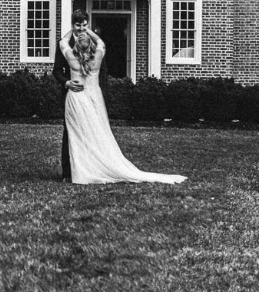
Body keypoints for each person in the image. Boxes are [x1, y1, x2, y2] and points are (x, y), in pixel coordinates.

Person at [59, 11, 186, 185]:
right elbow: (101, 43)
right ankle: (76, 170)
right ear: (91, 45)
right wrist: (88, 32)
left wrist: (74, 32)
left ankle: (83, 170)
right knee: (92, 133)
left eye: (84, 25)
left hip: (76, 98)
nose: (81, 28)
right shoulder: (97, 55)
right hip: (90, 96)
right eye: (78, 25)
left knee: (77, 134)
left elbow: (63, 42)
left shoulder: (71, 57)